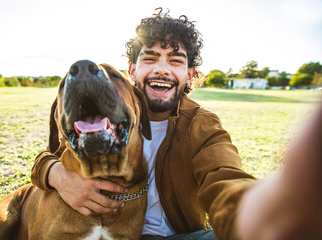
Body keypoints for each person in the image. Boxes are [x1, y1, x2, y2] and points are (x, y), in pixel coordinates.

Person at [32, 9, 322, 240]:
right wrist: (55, 173)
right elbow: (53, 153)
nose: (161, 68)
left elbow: (225, 180)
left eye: (175, 60)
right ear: (132, 70)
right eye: (150, 58)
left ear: (189, 73)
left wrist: (267, 214)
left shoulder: (203, 126)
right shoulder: (110, 118)